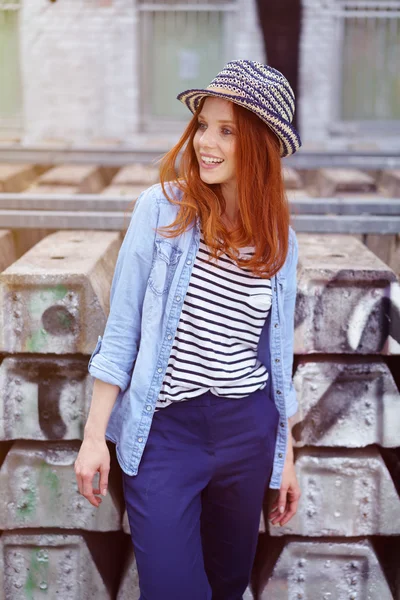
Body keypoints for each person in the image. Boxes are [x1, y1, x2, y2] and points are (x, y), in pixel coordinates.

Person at [74, 59, 302, 600]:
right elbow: (123, 329)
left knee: (226, 585)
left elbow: (278, 354)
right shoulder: (161, 210)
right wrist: (92, 438)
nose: (206, 142)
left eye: (227, 131)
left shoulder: (279, 241)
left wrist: (283, 456)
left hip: (247, 429)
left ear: (261, 147)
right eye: (204, 126)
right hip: (165, 432)